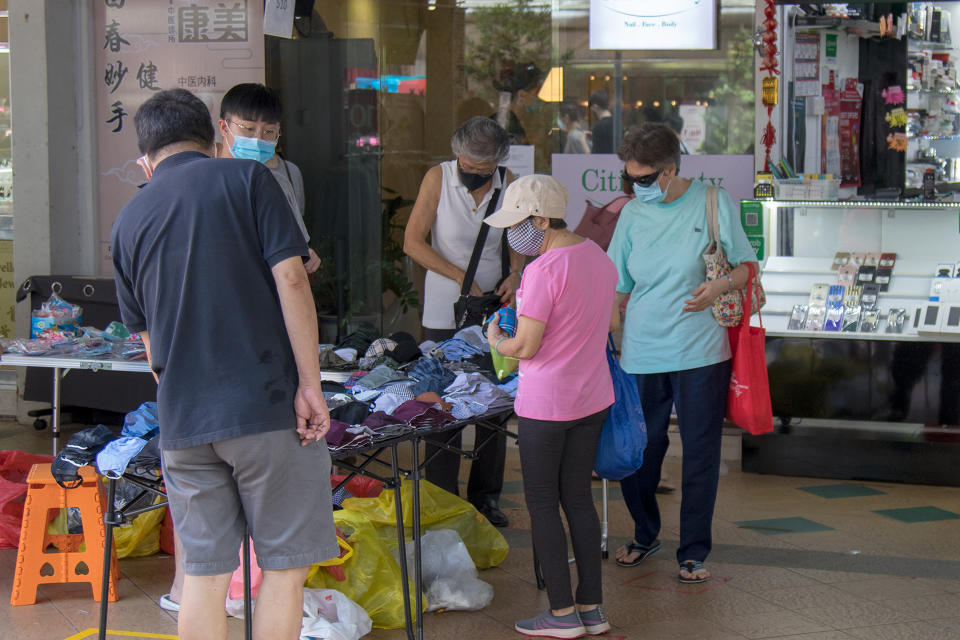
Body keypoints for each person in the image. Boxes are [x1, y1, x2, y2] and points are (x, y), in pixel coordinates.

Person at [111, 89, 338, 640]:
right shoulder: (248, 180)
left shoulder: (128, 219)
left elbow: (147, 343)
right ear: (216, 138)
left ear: (146, 157)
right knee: (284, 567)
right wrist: (311, 384)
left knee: (203, 572)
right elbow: (291, 279)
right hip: (263, 406)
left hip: (183, 420)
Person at [607, 123, 758, 583]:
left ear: (671, 169)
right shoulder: (632, 215)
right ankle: (644, 532)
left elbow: (748, 265)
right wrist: (604, 339)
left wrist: (719, 286)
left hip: (701, 351)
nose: (638, 188)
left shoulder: (713, 202)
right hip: (642, 351)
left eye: (647, 179)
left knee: (700, 452)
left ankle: (693, 551)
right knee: (641, 451)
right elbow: (616, 285)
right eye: (630, 180)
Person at [484, 174, 618, 638]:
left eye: (518, 224)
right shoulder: (599, 258)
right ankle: (592, 610)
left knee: (542, 503)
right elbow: (611, 320)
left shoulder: (543, 270)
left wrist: (497, 337)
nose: (512, 235)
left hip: (547, 404)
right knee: (578, 498)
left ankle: (560, 615)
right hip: (593, 397)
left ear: (541, 220)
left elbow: (526, 347)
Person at [403, 116, 525, 528]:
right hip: (444, 307)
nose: (474, 171)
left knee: (493, 403)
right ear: (457, 153)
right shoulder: (437, 178)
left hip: (495, 308)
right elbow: (413, 242)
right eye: (469, 164)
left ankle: (486, 497)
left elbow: (519, 239)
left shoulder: (510, 181)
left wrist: (516, 274)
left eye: (484, 166)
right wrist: (460, 278)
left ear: (498, 161)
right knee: (442, 400)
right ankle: (440, 497)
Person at [217, 82, 322, 274]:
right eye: (248, 129)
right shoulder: (203, 179)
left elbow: (296, 249)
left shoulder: (284, 180)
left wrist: (306, 256)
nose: (258, 140)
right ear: (224, 127)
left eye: (269, 132)